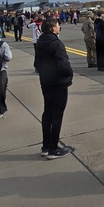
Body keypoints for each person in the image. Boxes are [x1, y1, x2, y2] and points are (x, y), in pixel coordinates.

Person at [35, 18, 74, 159]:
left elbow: (36, 64)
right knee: (57, 115)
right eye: (58, 25)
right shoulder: (56, 44)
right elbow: (64, 65)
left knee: (48, 113)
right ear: (52, 28)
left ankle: (46, 145)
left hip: (46, 82)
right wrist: (69, 75)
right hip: (58, 83)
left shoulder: (40, 43)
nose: (59, 27)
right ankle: (53, 148)